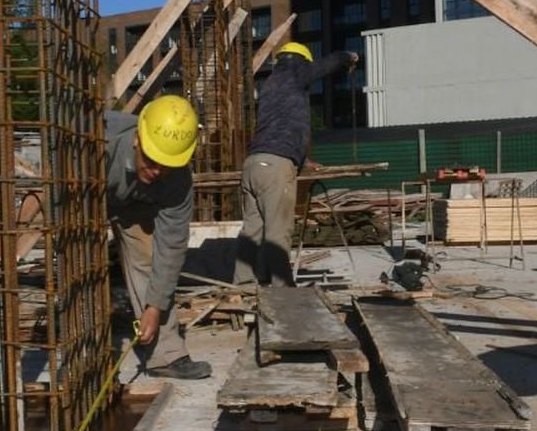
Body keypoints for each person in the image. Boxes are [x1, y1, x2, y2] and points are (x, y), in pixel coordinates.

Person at [234, 41, 358, 287]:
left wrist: (302, 160)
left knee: (252, 231)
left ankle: (243, 286)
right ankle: (283, 291)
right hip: (275, 167)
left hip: (253, 164)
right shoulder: (295, 72)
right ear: (301, 61)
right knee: (278, 231)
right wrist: (348, 56)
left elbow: (280, 128)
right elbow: (328, 63)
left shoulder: (270, 84)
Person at [106, 95, 211, 380]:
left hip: (135, 204)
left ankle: (165, 355)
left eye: (167, 165)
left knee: (149, 258)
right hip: (83, 192)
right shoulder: (101, 141)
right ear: (138, 139)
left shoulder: (177, 180)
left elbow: (172, 247)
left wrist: (154, 307)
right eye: (152, 162)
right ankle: (86, 356)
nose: (157, 172)